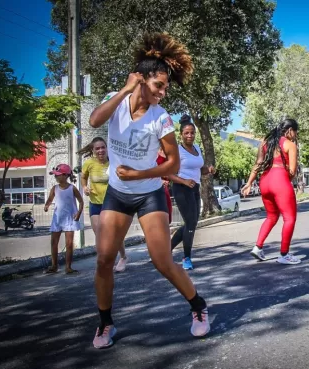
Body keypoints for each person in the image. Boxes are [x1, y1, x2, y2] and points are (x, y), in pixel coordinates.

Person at [88, 32, 210, 349]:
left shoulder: (162, 118)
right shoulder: (116, 101)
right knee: (103, 260)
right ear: (140, 79)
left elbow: (171, 165)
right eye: (158, 85)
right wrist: (125, 90)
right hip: (117, 193)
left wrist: (140, 173)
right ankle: (105, 324)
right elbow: (93, 120)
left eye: (166, 87)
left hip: (149, 192)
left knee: (162, 260)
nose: (163, 92)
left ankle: (199, 307)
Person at [243, 118, 300, 265]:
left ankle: (258, 247)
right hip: (279, 181)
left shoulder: (265, 142)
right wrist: (287, 176)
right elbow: (292, 172)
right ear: (289, 130)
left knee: (271, 217)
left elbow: (258, 164)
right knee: (289, 218)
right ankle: (284, 254)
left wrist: (249, 183)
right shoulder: (290, 145)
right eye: (295, 132)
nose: (295, 135)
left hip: (264, 181)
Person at [168, 114, 215, 270]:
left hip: (195, 188)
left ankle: (166, 250)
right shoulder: (177, 150)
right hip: (181, 188)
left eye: (192, 133)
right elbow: (167, 173)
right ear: (181, 135)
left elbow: (198, 169)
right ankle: (186, 258)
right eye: (186, 133)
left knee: (192, 223)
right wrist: (184, 181)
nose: (190, 135)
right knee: (190, 223)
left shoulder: (197, 149)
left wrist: (207, 170)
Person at [80, 137, 128, 273]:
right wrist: (84, 187)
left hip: (112, 203)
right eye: (97, 148)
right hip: (95, 203)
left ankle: (123, 257)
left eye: (103, 147)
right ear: (93, 150)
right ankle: (103, 262)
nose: (101, 150)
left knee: (114, 234)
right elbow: (83, 177)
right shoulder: (89, 163)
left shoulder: (113, 162)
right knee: (99, 234)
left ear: (107, 148)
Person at [43, 164, 84, 274]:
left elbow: (81, 201)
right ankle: (54, 266)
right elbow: (50, 200)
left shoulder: (72, 188)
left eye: (58, 175)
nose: (56, 177)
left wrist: (79, 213)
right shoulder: (54, 188)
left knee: (69, 244)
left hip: (70, 219)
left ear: (65, 175)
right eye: (55, 176)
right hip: (57, 219)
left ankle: (68, 267)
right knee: (53, 243)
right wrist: (46, 206)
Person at [156, 147, 173, 224]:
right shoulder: (153, 152)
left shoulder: (169, 153)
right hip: (154, 184)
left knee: (167, 207)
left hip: (164, 185)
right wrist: (160, 180)